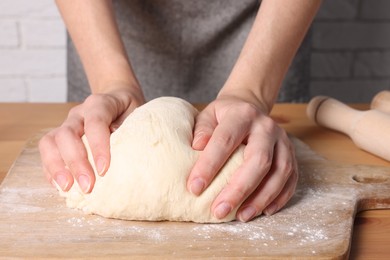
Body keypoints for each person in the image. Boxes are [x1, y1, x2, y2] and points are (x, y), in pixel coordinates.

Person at [39, 0, 322, 222]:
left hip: (266, 32)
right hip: (108, 31)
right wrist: (111, 82)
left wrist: (251, 93)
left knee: (253, 164)